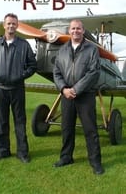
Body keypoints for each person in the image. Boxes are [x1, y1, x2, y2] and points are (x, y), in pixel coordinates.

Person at [0, 13, 37, 163]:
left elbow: (32, 66)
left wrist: (21, 75)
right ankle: (3, 151)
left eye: (14, 23)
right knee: (2, 121)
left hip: (18, 88)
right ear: (4, 25)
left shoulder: (24, 45)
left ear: (17, 25)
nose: (11, 26)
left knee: (20, 121)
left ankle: (22, 153)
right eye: (9, 23)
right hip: (0, 88)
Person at [53, 19, 104, 175]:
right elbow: (57, 72)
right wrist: (63, 89)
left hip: (85, 96)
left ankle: (95, 162)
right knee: (67, 128)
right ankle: (66, 157)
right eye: (73, 28)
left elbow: (93, 72)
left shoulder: (92, 49)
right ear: (69, 31)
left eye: (79, 29)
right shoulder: (62, 50)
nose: (76, 31)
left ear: (83, 31)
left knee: (90, 130)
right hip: (67, 96)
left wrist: (76, 89)